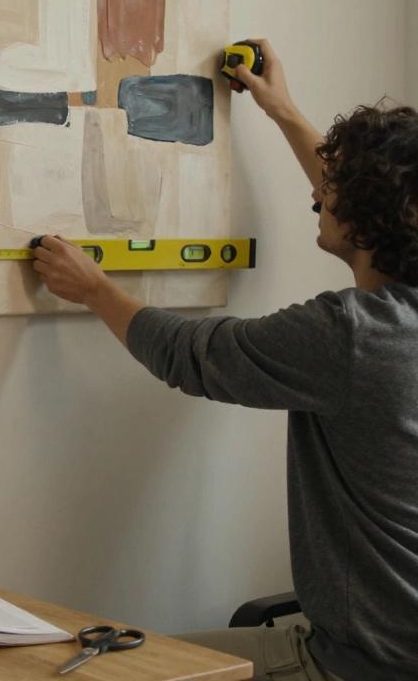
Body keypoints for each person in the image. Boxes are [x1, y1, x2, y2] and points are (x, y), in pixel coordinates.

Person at [31, 39, 418, 681]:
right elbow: (374, 201)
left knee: (106, 671)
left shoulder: (352, 337)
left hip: (356, 666)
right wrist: (286, 112)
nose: (318, 196)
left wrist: (95, 288)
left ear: (371, 213)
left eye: (334, 185)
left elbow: (193, 356)